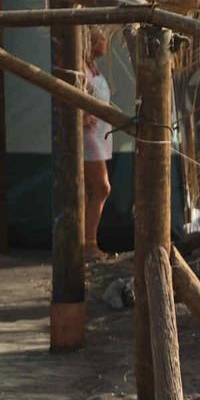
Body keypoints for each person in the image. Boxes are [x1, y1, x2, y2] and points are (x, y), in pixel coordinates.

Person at [82, 28, 114, 259]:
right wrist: (83, 114)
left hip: (101, 131)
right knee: (102, 187)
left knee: (87, 188)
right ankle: (89, 243)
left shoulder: (94, 66)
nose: (106, 41)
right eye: (102, 37)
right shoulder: (80, 67)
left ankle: (83, 241)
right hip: (87, 133)